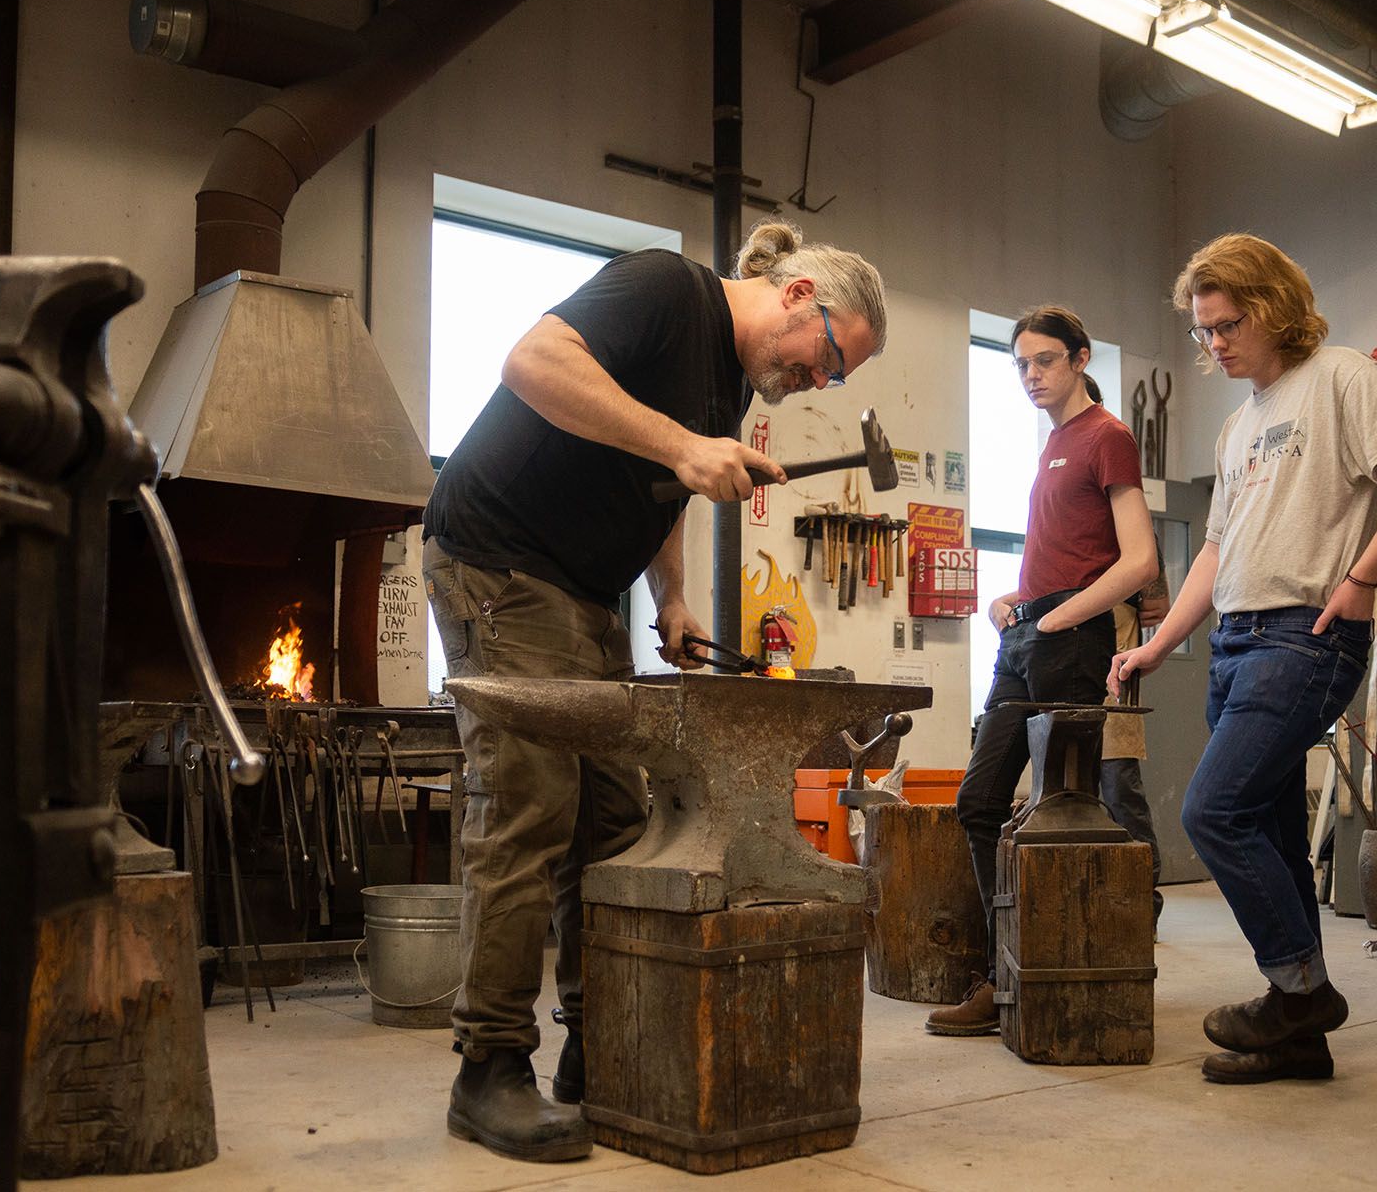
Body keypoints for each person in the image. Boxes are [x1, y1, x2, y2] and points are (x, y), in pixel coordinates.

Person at [421, 220, 887, 1162]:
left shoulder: (726, 383)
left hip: (587, 591)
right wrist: (683, 445)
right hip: (503, 565)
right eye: (832, 357)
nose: (823, 383)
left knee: (611, 825)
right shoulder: (665, 290)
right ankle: (489, 1068)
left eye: (839, 379)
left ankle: (600, 1050)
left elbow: (658, 488)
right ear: (801, 296)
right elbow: (532, 360)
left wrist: (671, 596)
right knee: (530, 808)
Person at [1109, 233, 1377, 1085]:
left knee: (1212, 811)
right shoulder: (1236, 427)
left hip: (1304, 634)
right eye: (1202, 331)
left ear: (1271, 308)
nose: (1213, 344)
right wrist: (1159, 641)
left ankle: (1299, 991)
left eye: (1226, 325)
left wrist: (1365, 574)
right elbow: (1215, 553)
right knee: (1266, 826)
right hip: (1234, 642)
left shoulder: (1339, 376)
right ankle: (1299, 1040)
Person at [925, 307, 1162, 1038]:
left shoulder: (1108, 437)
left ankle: (1050, 970)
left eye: (1046, 361)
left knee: (1072, 814)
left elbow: (1140, 561)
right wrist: (1018, 600)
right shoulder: (1054, 444)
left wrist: (1060, 615)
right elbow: (1060, 553)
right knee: (979, 799)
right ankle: (1006, 970)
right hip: (1027, 635)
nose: (1032, 375)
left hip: (1073, 640)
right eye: (1022, 365)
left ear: (1082, 358)